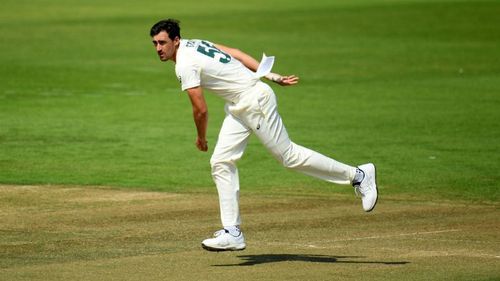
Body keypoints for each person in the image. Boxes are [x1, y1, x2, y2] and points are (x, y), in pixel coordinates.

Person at [150, 19, 378, 252]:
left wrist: (201, 137)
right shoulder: (195, 43)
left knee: (288, 157)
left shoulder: (184, 65)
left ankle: (358, 175)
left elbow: (201, 109)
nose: (158, 48)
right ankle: (232, 232)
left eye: (162, 42)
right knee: (220, 162)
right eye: (155, 43)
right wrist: (270, 75)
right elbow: (236, 54)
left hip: (254, 102)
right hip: (240, 105)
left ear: (176, 41)